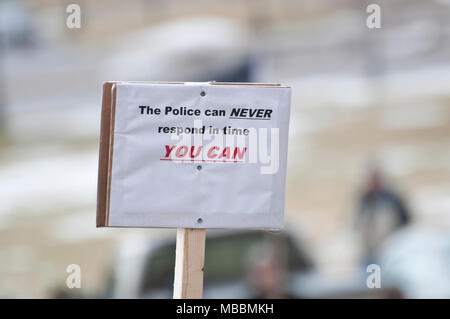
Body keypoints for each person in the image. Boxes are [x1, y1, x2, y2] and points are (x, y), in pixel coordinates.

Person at [356, 165, 411, 265]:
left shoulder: (392, 198)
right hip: (369, 251)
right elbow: (357, 223)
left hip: (391, 249)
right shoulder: (364, 199)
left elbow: (406, 221)